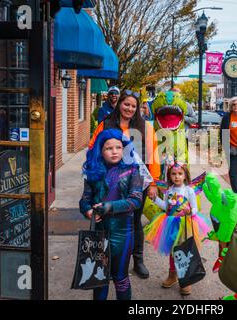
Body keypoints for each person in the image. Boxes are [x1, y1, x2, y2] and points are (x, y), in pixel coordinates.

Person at [89, 90, 161, 279]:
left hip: (137, 181)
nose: (129, 108)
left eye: (133, 106)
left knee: (134, 221)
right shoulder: (105, 124)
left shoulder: (145, 127)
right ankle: (107, 259)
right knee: (109, 218)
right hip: (109, 180)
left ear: (137, 109)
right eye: (126, 104)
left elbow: (153, 155)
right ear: (119, 104)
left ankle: (137, 260)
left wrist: (153, 183)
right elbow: (93, 148)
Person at [79, 128, 143, 300]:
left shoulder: (132, 170)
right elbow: (84, 200)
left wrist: (110, 207)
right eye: (109, 148)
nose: (114, 152)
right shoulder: (93, 172)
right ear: (100, 150)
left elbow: (136, 200)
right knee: (99, 279)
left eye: (118, 147)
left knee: (121, 278)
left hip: (123, 232)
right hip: (99, 233)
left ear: (124, 149)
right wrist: (88, 210)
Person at [144, 161, 209, 296]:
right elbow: (165, 207)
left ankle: (186, 278)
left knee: (184, 250)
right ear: (169, 176)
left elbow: (195, 208)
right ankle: (172, 275)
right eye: (173, 174)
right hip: (170, 224)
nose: (177, 177)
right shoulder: (169, 190)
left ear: (185, 176)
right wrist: (155, 199)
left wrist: (190, 210)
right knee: (174, 251)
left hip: (185, 224)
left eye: (180, 174)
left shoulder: (189, 190)